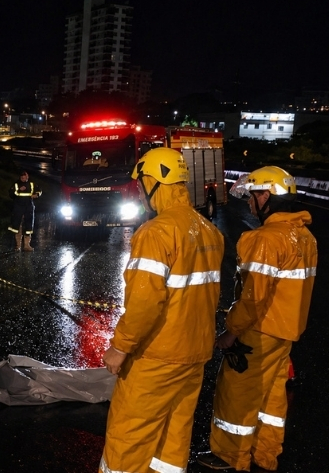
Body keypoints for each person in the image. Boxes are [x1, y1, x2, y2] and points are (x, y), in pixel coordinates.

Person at [99, 148, 224, 473]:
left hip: (157, 357)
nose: (139, 194)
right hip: (195, 355)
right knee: (172, 437)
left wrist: (120, 347)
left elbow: (145, 302)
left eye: (141, 186)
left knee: (129, 437)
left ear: (155, 182)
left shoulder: (156, 233)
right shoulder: (209, 231)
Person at [197, 166, 317, 472]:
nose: (250, 203)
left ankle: (229, 456)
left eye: (253, 196)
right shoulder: (305, 237)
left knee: (237, 394)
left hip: (258, 332)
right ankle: (265, 454)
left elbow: (253, 298)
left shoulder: (264, 240)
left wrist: (231, 332)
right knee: (272, 397)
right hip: (286, 332)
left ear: (266, 196)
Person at [8, 170, 42, 251]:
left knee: (28, 226)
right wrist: (19, 190)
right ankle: (18, 246)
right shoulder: (16, 184)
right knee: (17, 225)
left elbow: (39, 191)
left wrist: (36, 195)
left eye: (25, 177)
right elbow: (11, 194)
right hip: (18, 207)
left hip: (28, 207)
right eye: (22, 178)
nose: (23, 179)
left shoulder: (32, 184)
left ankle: (27, 245)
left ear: (27, 177)